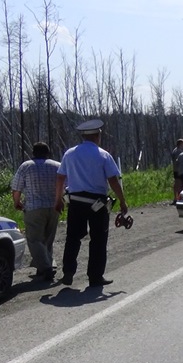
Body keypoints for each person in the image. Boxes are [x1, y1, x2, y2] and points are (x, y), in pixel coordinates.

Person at [54, 119, 128, 288]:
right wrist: (123, 201)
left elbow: (60, 177)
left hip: (75, 202)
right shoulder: (103, 154)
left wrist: (57, 200)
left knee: (72, 237)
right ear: (97, 135)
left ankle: (68, 271)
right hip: (97, 204)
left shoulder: (69, 153)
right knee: (98, 240)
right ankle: (95, 277)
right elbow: (113, 180)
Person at [11, 142, 61, 281]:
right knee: (48, 239)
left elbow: (17, 188)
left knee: (34, 239)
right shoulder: (57, 166)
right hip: (53, 206)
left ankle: (46, 268)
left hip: (34, 207)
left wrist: (17, 202)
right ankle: (44, 266)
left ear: (33, 153)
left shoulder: (26, 166)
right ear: (48, 152)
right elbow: (65, 185)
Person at [170, 138, 183, 203]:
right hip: (178, 170)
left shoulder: (175, 150)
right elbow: (179, 161)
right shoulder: (178, 151)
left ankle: (176, 197)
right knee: (179, 184)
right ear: (180, 144)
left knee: (177, 183)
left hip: (175, 169)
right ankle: (177, 198)